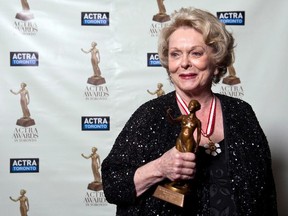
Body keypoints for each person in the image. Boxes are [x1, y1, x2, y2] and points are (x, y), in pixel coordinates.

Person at [101, 7, 278, 215]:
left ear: (217, 59)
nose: (184, 63)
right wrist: (160, 167)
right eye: (176, 54)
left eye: (196, 53)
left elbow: (266, 193)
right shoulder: (149, 115)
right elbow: (113, 185)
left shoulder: (241, 112)